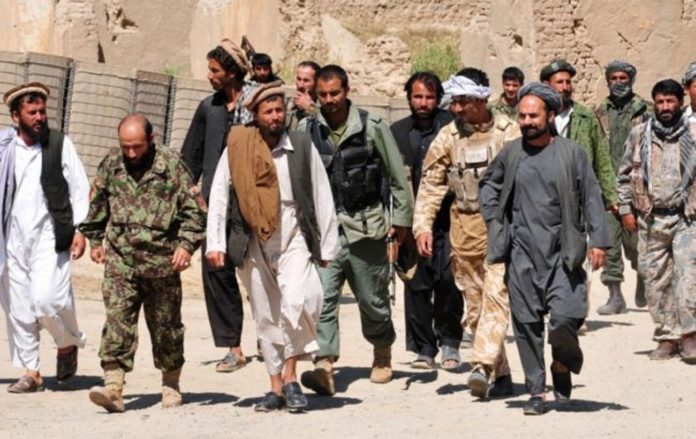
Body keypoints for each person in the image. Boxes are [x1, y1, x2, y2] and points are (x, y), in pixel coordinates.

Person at [206, 81, 339, 412]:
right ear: (256, 115)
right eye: (269, 111)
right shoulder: (238, 146)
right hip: (254, 239)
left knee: (301, 299)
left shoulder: (301, 145)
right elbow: (220, 193)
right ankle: (277, 386)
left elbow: (321, 193)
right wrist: (215, 243)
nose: (276, 116)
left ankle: (292, 375)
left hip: (293, 234)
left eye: (280, 110)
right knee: (266, 314)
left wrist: (326, 246)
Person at [480, 83, 611, 415]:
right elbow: (489, 184)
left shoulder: (571, 154)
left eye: (533, 116)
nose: (526, 122)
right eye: (522, 116)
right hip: (522, 253)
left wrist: (599, 240)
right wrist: (495, 219)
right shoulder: (511, 154)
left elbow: (591, 197)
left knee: (566, 319)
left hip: (563, 253)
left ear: (550, 116)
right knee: (526, 325)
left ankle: (562, 364)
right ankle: (536, 391)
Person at [298, 65, 413, 394]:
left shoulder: (372, 126)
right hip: (325, 233)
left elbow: (397, 178)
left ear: (346, 91)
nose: (329, 100)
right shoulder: (306, 129)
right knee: (322, 299)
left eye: (335, 93)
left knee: (373, 300)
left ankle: (382, 351)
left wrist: (401, 221)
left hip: (366, 229)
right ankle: (324, 363)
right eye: (323, 95)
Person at [81, 114, 206, 412]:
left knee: (166, 328)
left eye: (137, 146)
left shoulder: (171, 166)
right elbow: (98, 204)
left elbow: (195, 211)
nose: (131, 153)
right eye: (126, 146)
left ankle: (171, 383)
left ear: (151, 139)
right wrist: (95, 240)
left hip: (162, 263)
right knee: (117, 322)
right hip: (121, 261)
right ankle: (113, 388)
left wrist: (186, 246)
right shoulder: (112, 164)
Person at [413, 68, 520, 399]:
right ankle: (501, 375)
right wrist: (422, 226)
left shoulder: (509, 133)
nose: (456, 108)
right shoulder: (449, 136)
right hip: (465, 233)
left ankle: (481, 365)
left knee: (496, 298)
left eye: (462, 102)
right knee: (475, 309)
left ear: (481, 99)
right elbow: (431, 184)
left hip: (501, 230)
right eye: (454, 102)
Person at [0, 82, 89, 393]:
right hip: (11, 239)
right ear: (16, 116)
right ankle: (31, 371)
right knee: (19, 307)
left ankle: (67, 342)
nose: (39, 117)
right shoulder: (4, 149)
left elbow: (79, 187)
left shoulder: (59, 144)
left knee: (46, 299)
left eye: (42, 111)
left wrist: (80, 229)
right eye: (32, 112)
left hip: (50, 236)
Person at [181, 38, 257, 373]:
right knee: (216, 273)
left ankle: (274, 339)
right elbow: (189, 159)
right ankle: (233, 347)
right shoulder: (208, 109)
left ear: (233, 72)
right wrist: (191, 195)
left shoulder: (257, 106)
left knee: (259, 275)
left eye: (214, 70)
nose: (209, 75)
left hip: (251, 205)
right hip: (214, 207)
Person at [617, 79, 696, 364]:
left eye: (670, 101)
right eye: (660, 101)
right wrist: (625, 209)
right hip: (651, 218)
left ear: (680, 103)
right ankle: (667, 336)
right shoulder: (641, 134)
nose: (665, 107)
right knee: (654, 279)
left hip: (687, 217)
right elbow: (624, 174)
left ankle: (690, 335)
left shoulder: (693, 132)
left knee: (688, 277)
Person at [389, 72, 462, 370]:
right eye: (418, 97)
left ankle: (450, 341)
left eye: (429, 97)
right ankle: (424, 347)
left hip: (449, 218)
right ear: (409, 98)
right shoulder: (396, 132)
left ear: (438, 99)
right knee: (416, 282)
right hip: (409, 221)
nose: (423, 103)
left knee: (449, 280)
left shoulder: (453, 128)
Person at [594, 60, 652, 314]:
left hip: (638, 188)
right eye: (613, 78)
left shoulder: (646, 111)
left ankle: (643, 277)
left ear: (631, 80)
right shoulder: (599, 113)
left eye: (623, 78)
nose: (618, 82)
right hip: (608, 189)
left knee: (637, 242)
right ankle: (615, 295)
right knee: (609, 243)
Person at [540, 59, 617, 209]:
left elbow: (603, 160)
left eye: (568, 82)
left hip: (580, 198)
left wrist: (612, 199)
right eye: (560, 82)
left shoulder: (585, 117)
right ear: (547, 85)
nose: (565, 87)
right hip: (546, 197)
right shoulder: (538, 117)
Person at [286, 60, 321, 131]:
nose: (300, 85)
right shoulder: (287, 103)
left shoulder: (324, 106)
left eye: (306, 80)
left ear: (317, 83)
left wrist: (310, 109)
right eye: (298, 79)